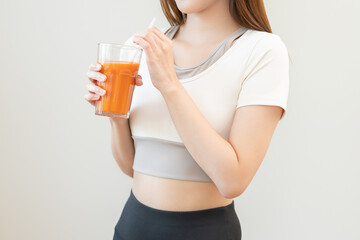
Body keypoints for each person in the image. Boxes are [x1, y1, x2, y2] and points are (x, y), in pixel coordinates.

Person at [84, 0, 289, 239]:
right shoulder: (140, 47)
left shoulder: (262, 51)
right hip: (131, 226)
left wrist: (169, 84)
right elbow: (132, 167)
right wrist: (116, 118)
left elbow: (233, 182)